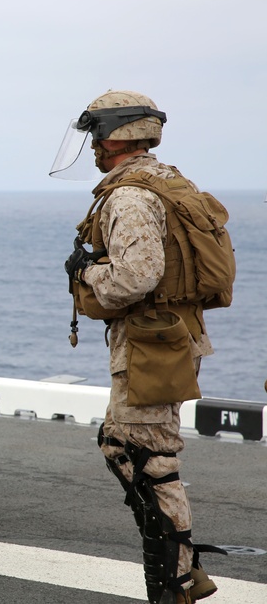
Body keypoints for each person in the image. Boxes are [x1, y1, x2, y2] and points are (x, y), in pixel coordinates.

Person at [57, 90, 221, 604]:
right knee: (129, 446)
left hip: (152, 339)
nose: (94, 148)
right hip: (169, 334)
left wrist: (85, 270)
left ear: (115, 136)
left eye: (97, 137)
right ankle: (181, 573)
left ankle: (176, 583)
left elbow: (135, 277)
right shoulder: (169, 181)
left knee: (143, 456)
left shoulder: (129, 196)